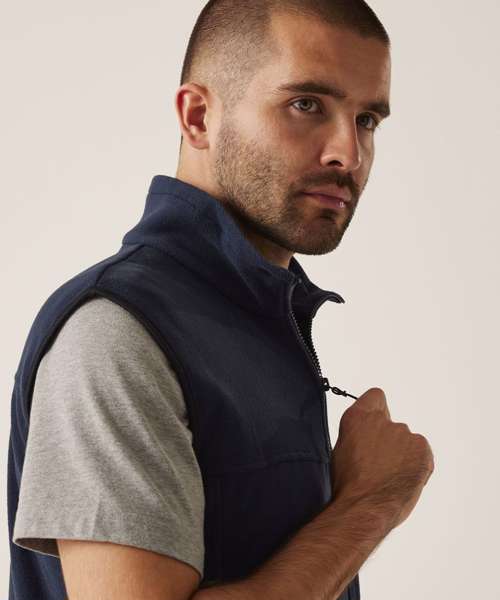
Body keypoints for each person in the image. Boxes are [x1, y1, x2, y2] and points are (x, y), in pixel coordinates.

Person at [7, 1, 434, 599]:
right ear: (199, 117)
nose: (349, 154)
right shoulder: (117, 332)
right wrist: (370, 503)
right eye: (306, 105)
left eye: (366, 119)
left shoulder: (258, 320)